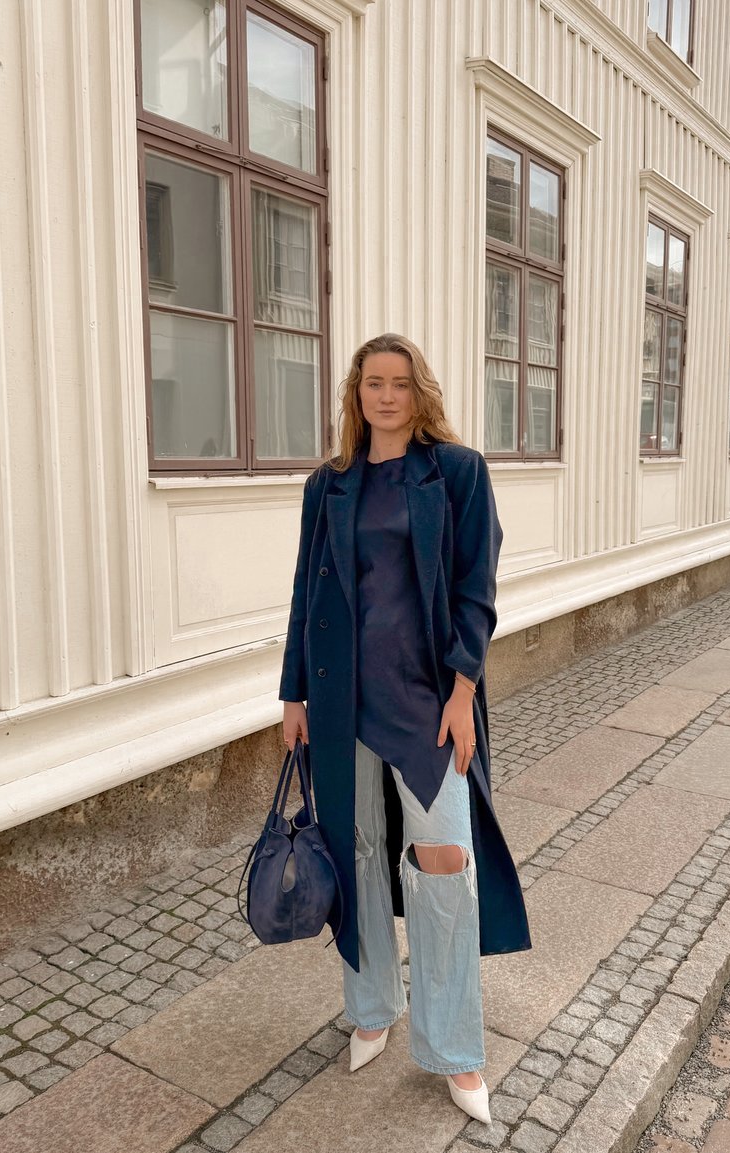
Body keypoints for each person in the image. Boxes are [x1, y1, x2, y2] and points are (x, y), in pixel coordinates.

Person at [280, 333, 530, 1124]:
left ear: (419, 392)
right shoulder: (330, 485)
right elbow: (304, 595)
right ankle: (374, 1006)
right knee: (355, 854)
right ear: (356, 394)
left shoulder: (456, 472)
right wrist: (293, 696)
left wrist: (463, 690)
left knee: (444, 862)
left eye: (399, 383)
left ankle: (456, 1049)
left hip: (427, 702)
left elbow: (475, 586)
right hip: (342, 699)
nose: (385, 396)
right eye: (372, 384)